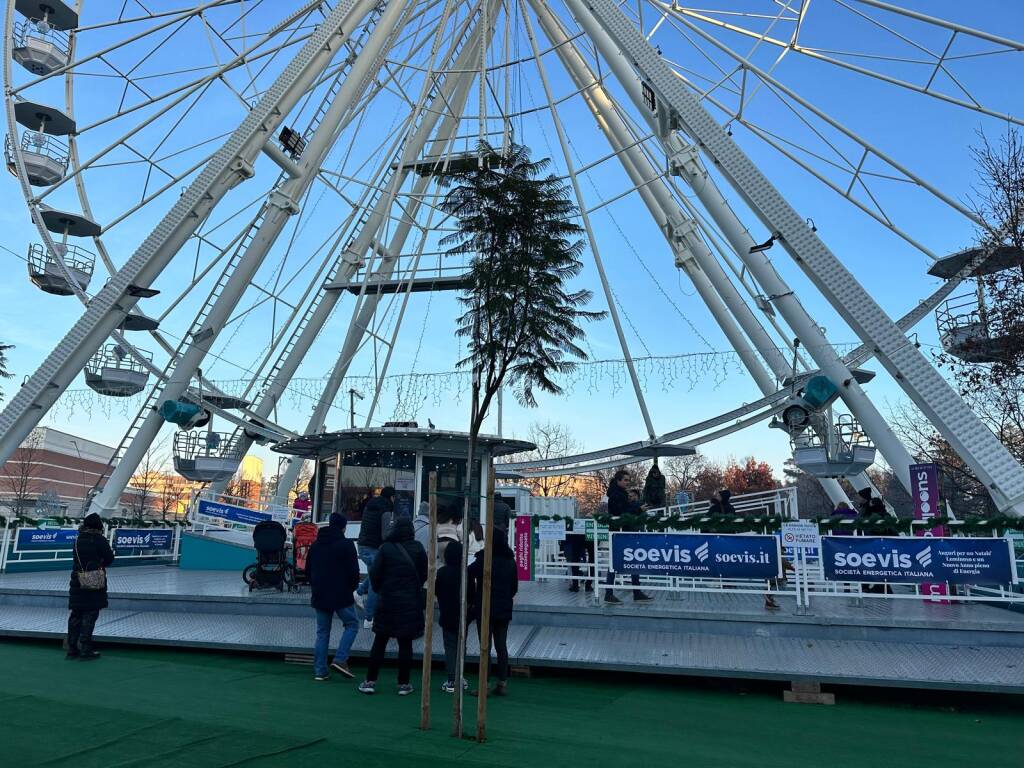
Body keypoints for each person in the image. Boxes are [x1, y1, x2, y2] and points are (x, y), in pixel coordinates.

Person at [359, 518, 428, 696]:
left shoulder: (386, 548)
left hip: (387, 601)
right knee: (405, 644)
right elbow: (424, 573)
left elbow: (374, 574)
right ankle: (403, 684)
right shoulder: (418, 548)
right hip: (409, 602)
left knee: (380, 641)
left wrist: (382, 589)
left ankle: (370, 681)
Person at [307, 512, 360, 681]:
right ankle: (340, 658)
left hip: (320, 594)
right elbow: (354, 572)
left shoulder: (315, 545)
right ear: (343, 527)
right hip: (341, 594)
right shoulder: (346, 545)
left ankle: (320, 670)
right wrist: (351, 589)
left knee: (322, 632)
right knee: (352, 624)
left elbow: (308, 570)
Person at [468, 529, 518, 696]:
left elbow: (469, 572)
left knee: (485, 647)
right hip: (503, 607)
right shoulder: (510, 560)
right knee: (501, 646)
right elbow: (514, 587)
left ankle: (485, 685)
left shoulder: (484, 558)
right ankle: (502, 682)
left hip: (485, 606)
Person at [67, 513, 115, 660]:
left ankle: (72, 648)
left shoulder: (77, 540)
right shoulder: (99, 539)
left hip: (77, 581)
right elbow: (109, 558)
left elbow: (75, 559)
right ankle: (86, 648)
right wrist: (99, 565)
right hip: (94, 581)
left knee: (76, 615)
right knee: (90, 614)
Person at [604, 470, 653, 605]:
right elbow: (621, 512)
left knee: (632, 560)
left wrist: (637, 507)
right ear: (618, 480)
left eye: (627, 480)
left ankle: (636, 592)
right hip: (619, 532)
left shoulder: (620, 493)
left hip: (623, 531)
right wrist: (638, 509)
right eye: (625, 480)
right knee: (614, 563)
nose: (627, 482)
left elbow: (625, 509)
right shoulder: (616, 494)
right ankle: (609, 594)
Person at [356, 486, 396, 628]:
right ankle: (369, 618)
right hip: (374, 548)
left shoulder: (369, 506)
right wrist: (394, 530)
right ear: (391, 497)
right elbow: (385, 535)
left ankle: (359, 592)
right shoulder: (386, 511)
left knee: (375, 574)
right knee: (375, 583)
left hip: (362, 546)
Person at [435, 540, 466, 693]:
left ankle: (452, 678)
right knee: (461, 645)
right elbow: (471, 594)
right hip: (462, 614)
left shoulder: (441, 573)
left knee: (450, 646)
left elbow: (436, 591)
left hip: (446, 613)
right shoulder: (464, 573)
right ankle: (460, 676)